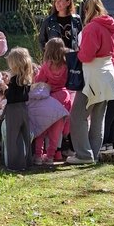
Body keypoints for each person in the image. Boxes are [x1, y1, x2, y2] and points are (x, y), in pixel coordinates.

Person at [66, 0, 114, 165]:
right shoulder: (112, 27)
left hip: (93, 76)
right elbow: (113, 54)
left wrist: (76, 53)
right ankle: (92, 154)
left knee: (77, 116)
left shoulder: (91, 28)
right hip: (107, 74)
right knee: (98, 118)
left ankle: (84, 155)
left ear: (87, 10)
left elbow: (86, 56)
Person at [33, 37, 73, 165]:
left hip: (48, 98)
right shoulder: (67, 65)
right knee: (56, 132)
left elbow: (39, 81)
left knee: (42, 129)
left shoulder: (46, 66)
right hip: (63, 97)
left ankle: (38, 156)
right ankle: (50, 157)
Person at [2, 47, 34, 171]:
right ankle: (27, 161)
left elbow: (10, 96)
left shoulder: (14, 80)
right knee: (25, 135)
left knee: (13, 136)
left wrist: (4, 87)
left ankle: (15, 164)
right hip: (23, 108)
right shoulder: (26, 78)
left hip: (13, 109)